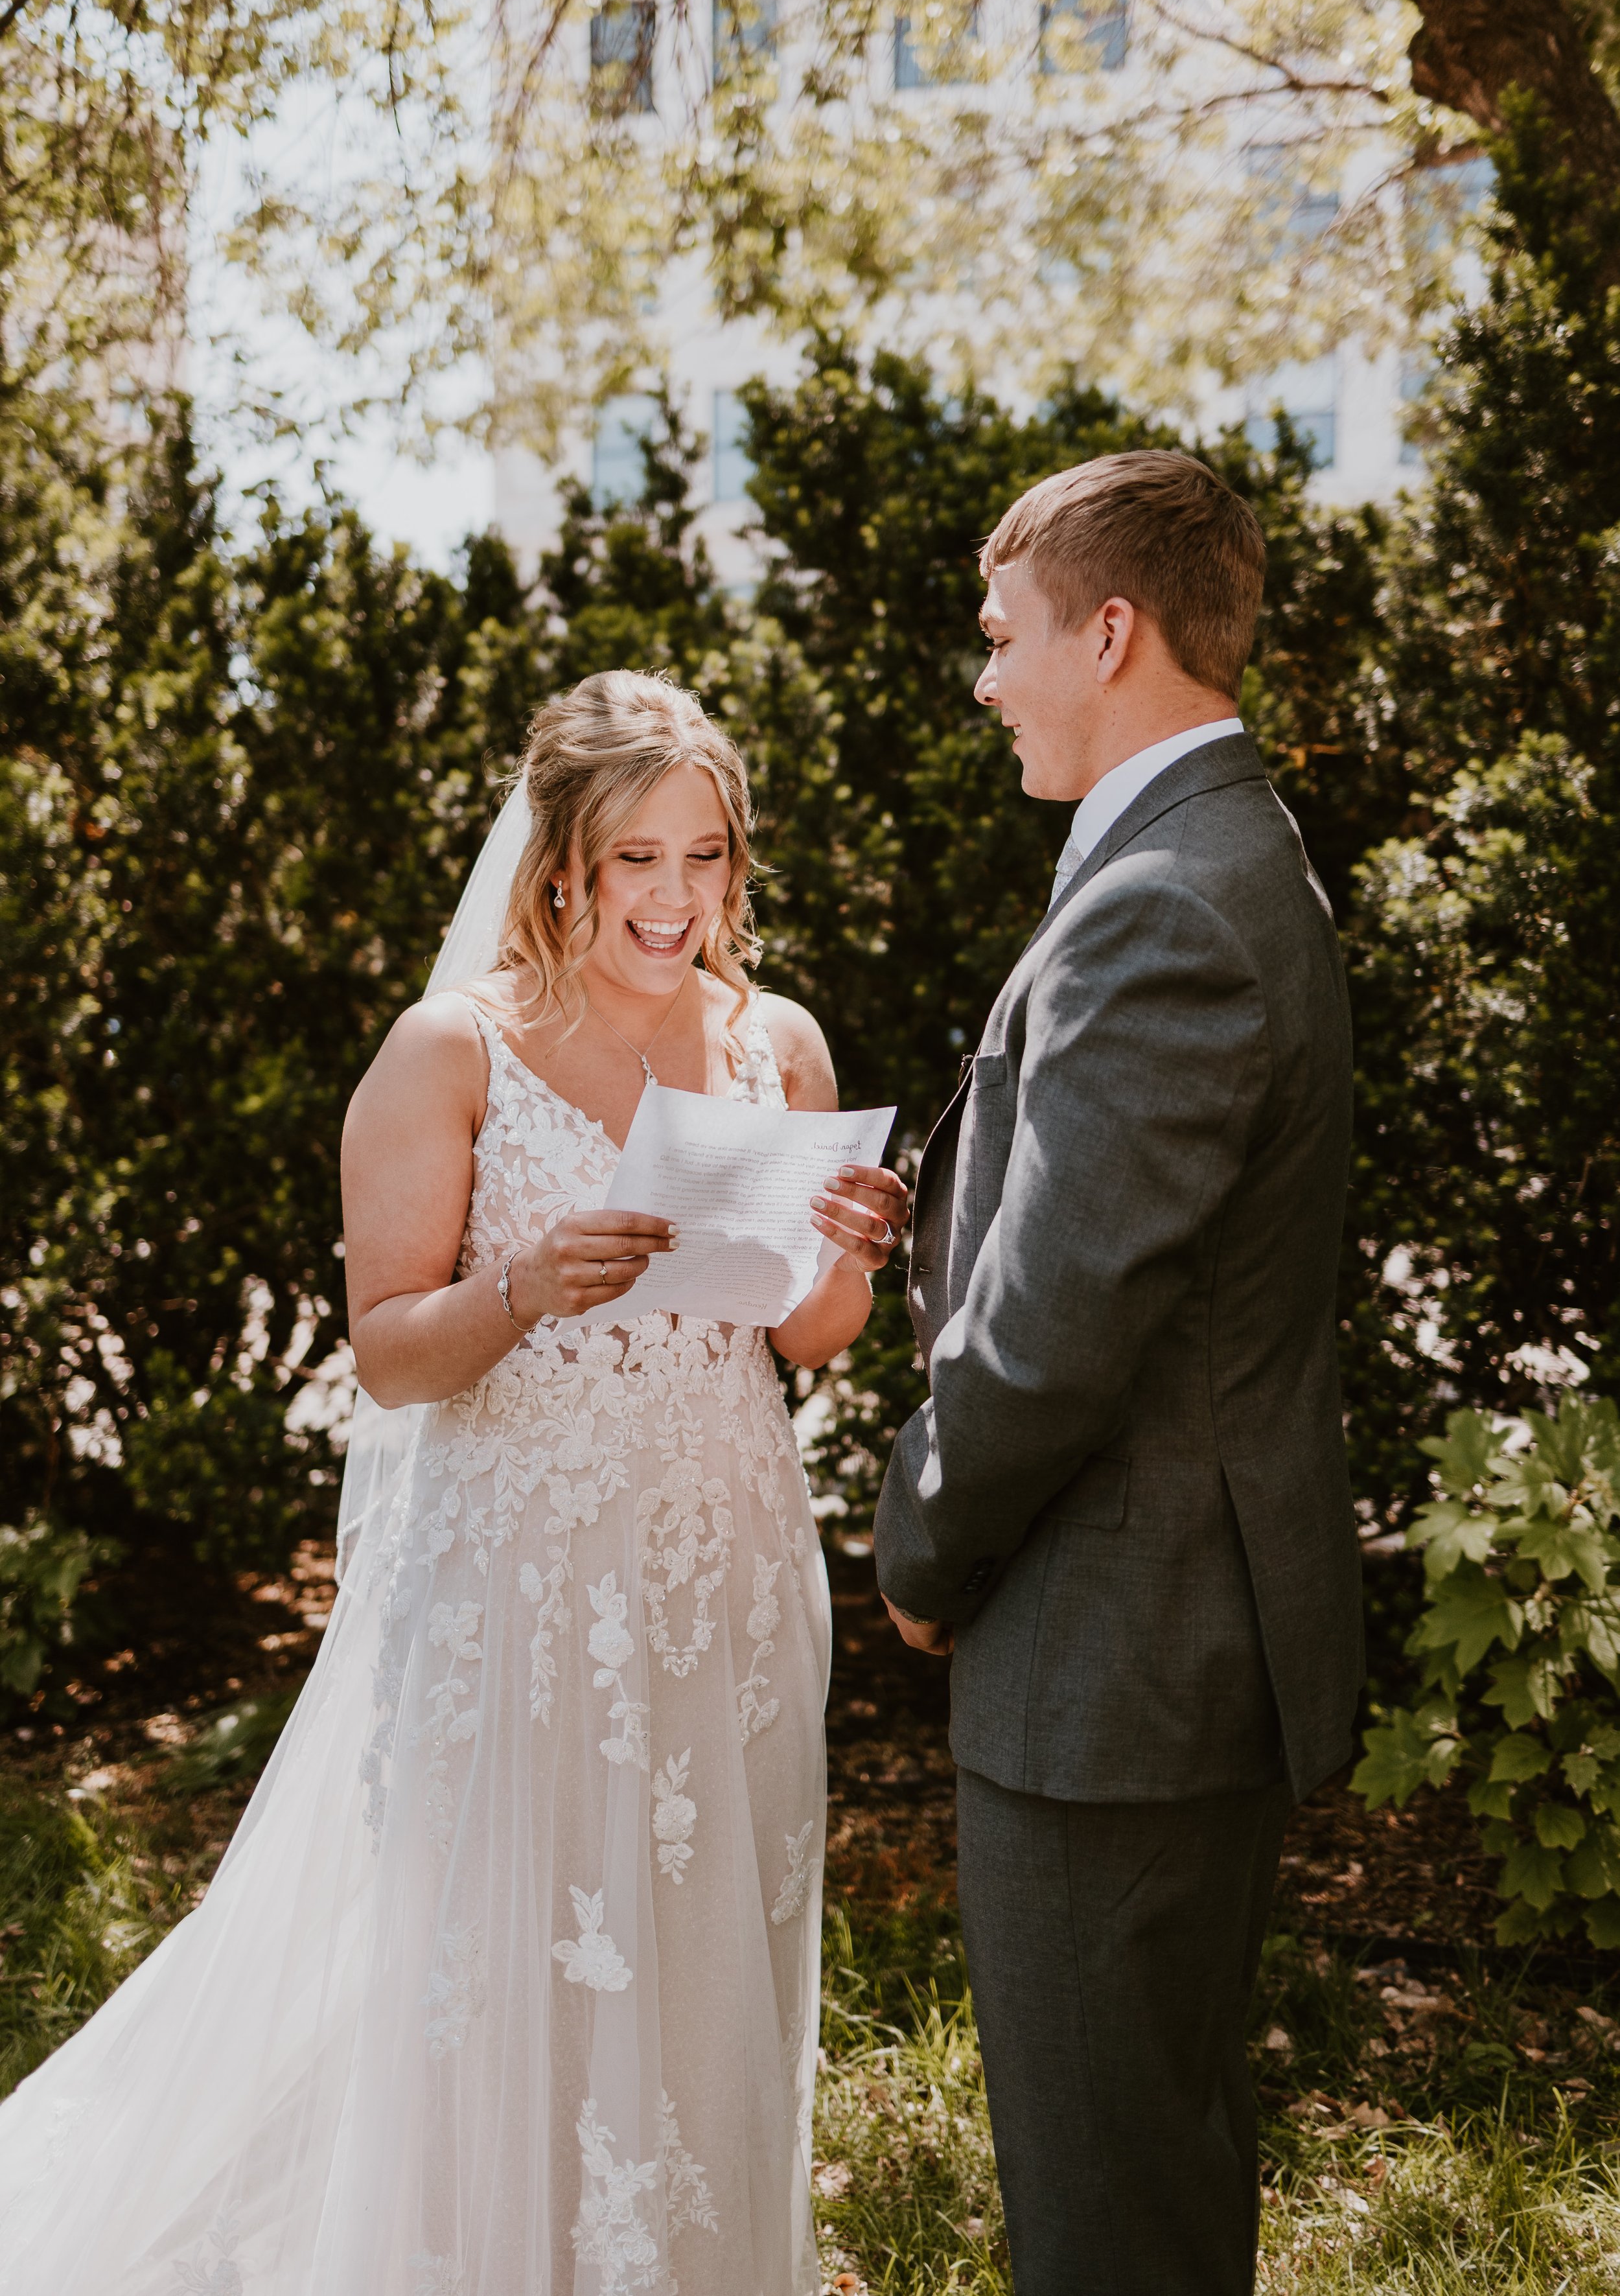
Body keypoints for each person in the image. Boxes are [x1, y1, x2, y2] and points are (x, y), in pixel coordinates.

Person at [0, 668, 907, 2296]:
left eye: (704, 856)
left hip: (728, 1567)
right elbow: (387, 1347)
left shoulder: (779, 1043)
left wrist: (845, 1253)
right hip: (527, 1587)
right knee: (503, 1957)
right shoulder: (453, 1050)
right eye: (638, 860)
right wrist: (525, 1288)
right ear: (560, 864)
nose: (675, 898)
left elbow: (810, 1339)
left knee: (707, 1943)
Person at [874, 451, 1363, 2295]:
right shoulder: (1212, 858)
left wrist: (924, 1547)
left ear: (1108, 626)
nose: (986, 677)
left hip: (1115, 1652)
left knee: (1101, 2203)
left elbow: (1052, 1331)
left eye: (1003, 637)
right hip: (1169, 1640)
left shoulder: (1170, 898)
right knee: (1147, 2162)